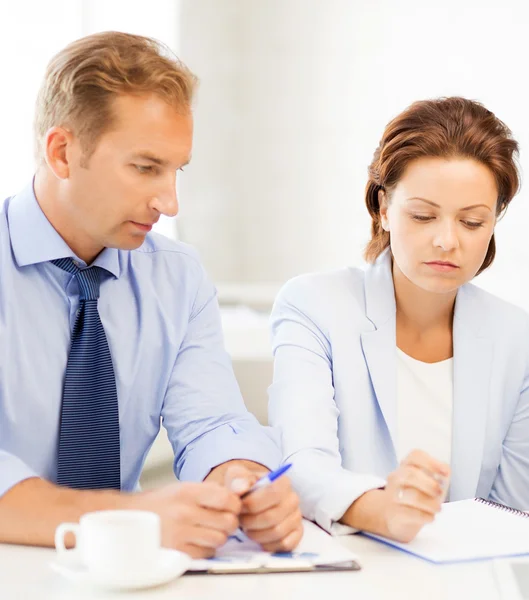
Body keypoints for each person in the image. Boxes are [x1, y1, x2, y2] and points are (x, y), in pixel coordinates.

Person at [0, 31, 302, 557]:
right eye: (145, 167)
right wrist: (128, 515)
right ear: (63, 152)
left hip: (126, 572)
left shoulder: (177, 277)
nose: (170, 201)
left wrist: (243, 481)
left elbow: (212, 421)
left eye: (175, 169)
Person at [268, 96, 529, 542]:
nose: (447, 241)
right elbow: (301, 464)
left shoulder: (516, 338)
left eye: (471, 222)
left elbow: (511, 514)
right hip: (348, 570)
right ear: (384, 208)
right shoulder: (313, 305)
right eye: (423, 215)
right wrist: (380, 509)